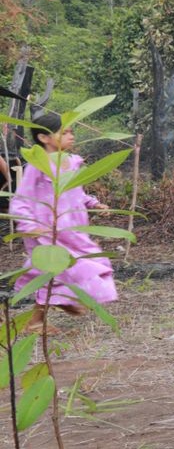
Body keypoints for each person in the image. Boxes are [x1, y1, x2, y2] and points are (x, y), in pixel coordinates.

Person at [12, 110, 118, 321]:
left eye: (72, 131)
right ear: (44, 138)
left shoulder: (73, 163)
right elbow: (21, 199)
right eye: (64, 132)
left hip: (72, 230)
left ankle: (44, 314)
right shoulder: (38, 165)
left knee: (67, 268)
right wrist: (28, 226)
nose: (71, 136)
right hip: (46, 230)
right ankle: (56, 308)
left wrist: (94, 203)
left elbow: (76, 192)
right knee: (59, 269)